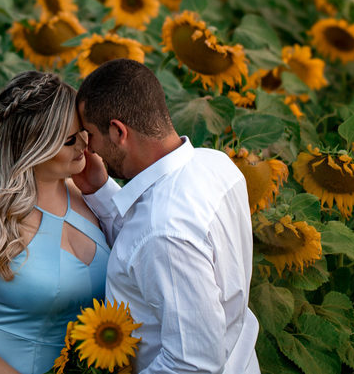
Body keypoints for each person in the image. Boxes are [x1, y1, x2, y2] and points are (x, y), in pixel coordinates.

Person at [73, 58, 260, 374]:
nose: (88, 147)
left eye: (90, 134)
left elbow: (194, 364)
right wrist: (100, 189)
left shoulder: (164, 231)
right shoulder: (216, 164)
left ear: (118, 131)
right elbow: (142, 253)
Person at [0, 70, 110, 374]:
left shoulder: (86, 193)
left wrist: (104, 190)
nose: (84, 143)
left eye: (84, 131)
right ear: (33, 147)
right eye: (69, 140)